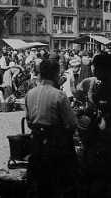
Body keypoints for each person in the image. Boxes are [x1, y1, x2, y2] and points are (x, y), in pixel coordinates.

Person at [24, 59, 78, 198]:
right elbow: (72, 123)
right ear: (55, 74)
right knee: (57, 182)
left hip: (36, 141)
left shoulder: (30, 93)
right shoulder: (59, 95)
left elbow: (29, 121)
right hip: (56, 143)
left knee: (38, 181)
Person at [80, 53, 111, 198]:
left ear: (105, 69)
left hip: (110, 133)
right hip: (105, 132)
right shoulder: (107, 83)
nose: (94, 72)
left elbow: (110, 108)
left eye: (96, 69)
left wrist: (94, 110)